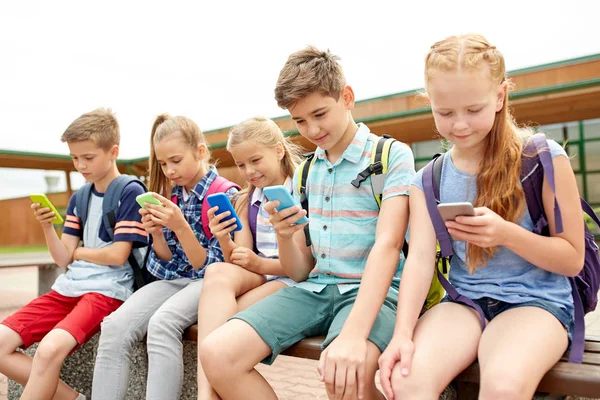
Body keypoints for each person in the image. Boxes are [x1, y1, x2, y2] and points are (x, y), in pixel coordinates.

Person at [200, 46, 415, 400]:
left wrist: (353, 334)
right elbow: (299, 271)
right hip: (314, 290)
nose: (312, 129)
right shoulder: (305, 173)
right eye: (300, 121)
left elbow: (388, 245)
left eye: (320, 114)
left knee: (343, 376)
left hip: (375, 291)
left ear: (347, 98)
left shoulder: (390, 155)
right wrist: (286, 235)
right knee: (217, 353)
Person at [378, 34, 584, 400]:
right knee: (406, 380)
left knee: (503, 385)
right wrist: (402, 335)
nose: (460, 125)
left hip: (537, 302)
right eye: (445, 113)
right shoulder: (427, 180)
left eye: (474, 110)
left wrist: (506, 234)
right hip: (465, 302)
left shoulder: (543, 158)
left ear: (501, 96)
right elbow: (421, 260)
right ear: (429, 104)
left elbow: (572, 259)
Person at [0, 108, 147, 400]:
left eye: (88, 157)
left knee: (50, 349)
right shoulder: (80, 196)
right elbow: (63, 259)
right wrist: (47, 227)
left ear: (113, 151)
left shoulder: (130, 191)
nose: (80, 165)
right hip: (68, 288)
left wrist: (79, 251)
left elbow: (118, 255)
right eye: (74, 158)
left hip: (107, 291)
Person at [92, 114, 238, 400]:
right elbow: (166, 262)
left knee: (162, 324)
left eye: (176, 160)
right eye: (162, 163)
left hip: (210, 283)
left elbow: (213, 268)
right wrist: (157, 233)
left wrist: (180, 225)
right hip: (176, 281)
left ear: (200, 151)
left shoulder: (225, 194)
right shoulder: (173, 195)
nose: (169, 170)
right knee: (114, 326)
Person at [196, 116, 303, 399]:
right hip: (260, 273)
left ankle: (207, 394)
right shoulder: (246, 199)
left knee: (225, 320)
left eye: (255, 160)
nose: (249, 171)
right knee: (217, 272)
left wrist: (259, 264)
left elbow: (304, 266)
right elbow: (240, 259)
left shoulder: (301, 190)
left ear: (279, 150)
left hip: (290, 279)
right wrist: (223, 238)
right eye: (241, 165)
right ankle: (206, 393)